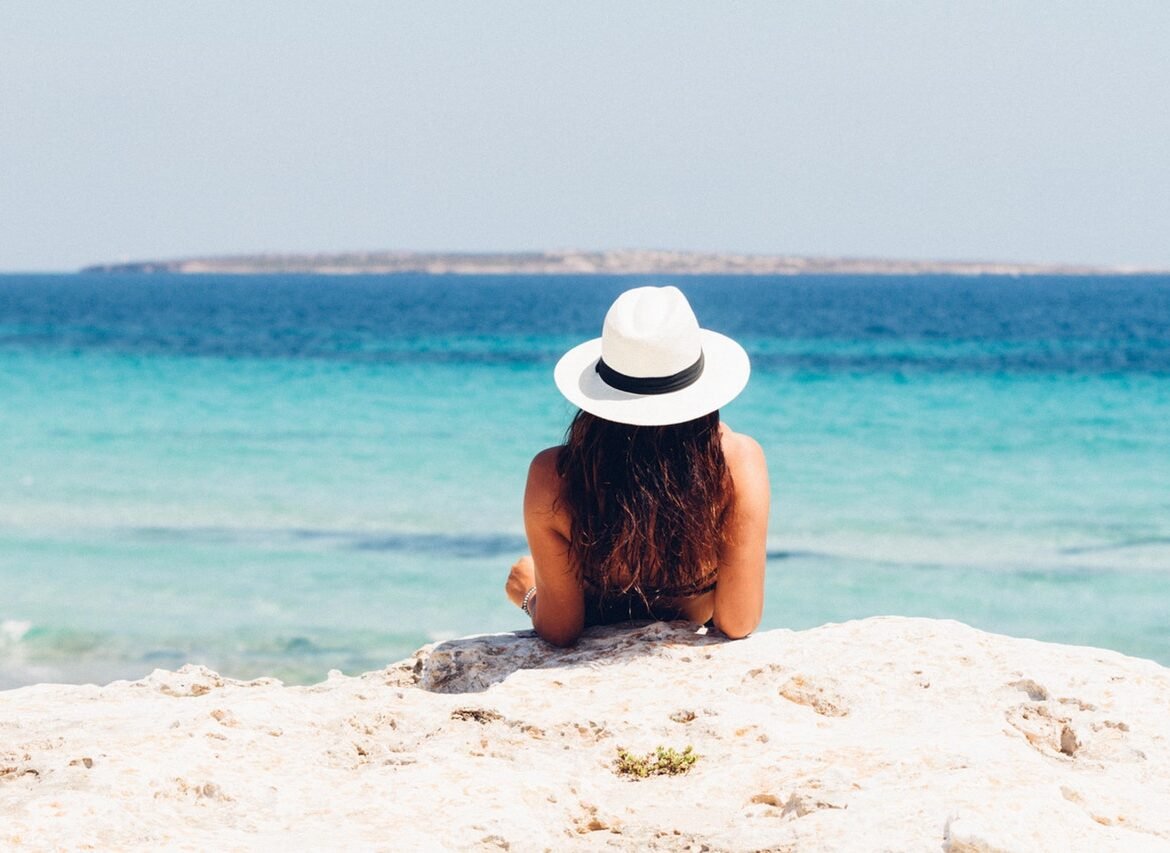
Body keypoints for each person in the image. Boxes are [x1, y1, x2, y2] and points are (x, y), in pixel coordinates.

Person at [505, 285, 770, 646]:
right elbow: (738, 621)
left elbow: (561, 630)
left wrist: (528, 592)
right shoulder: (736, 462)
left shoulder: (554, 474)